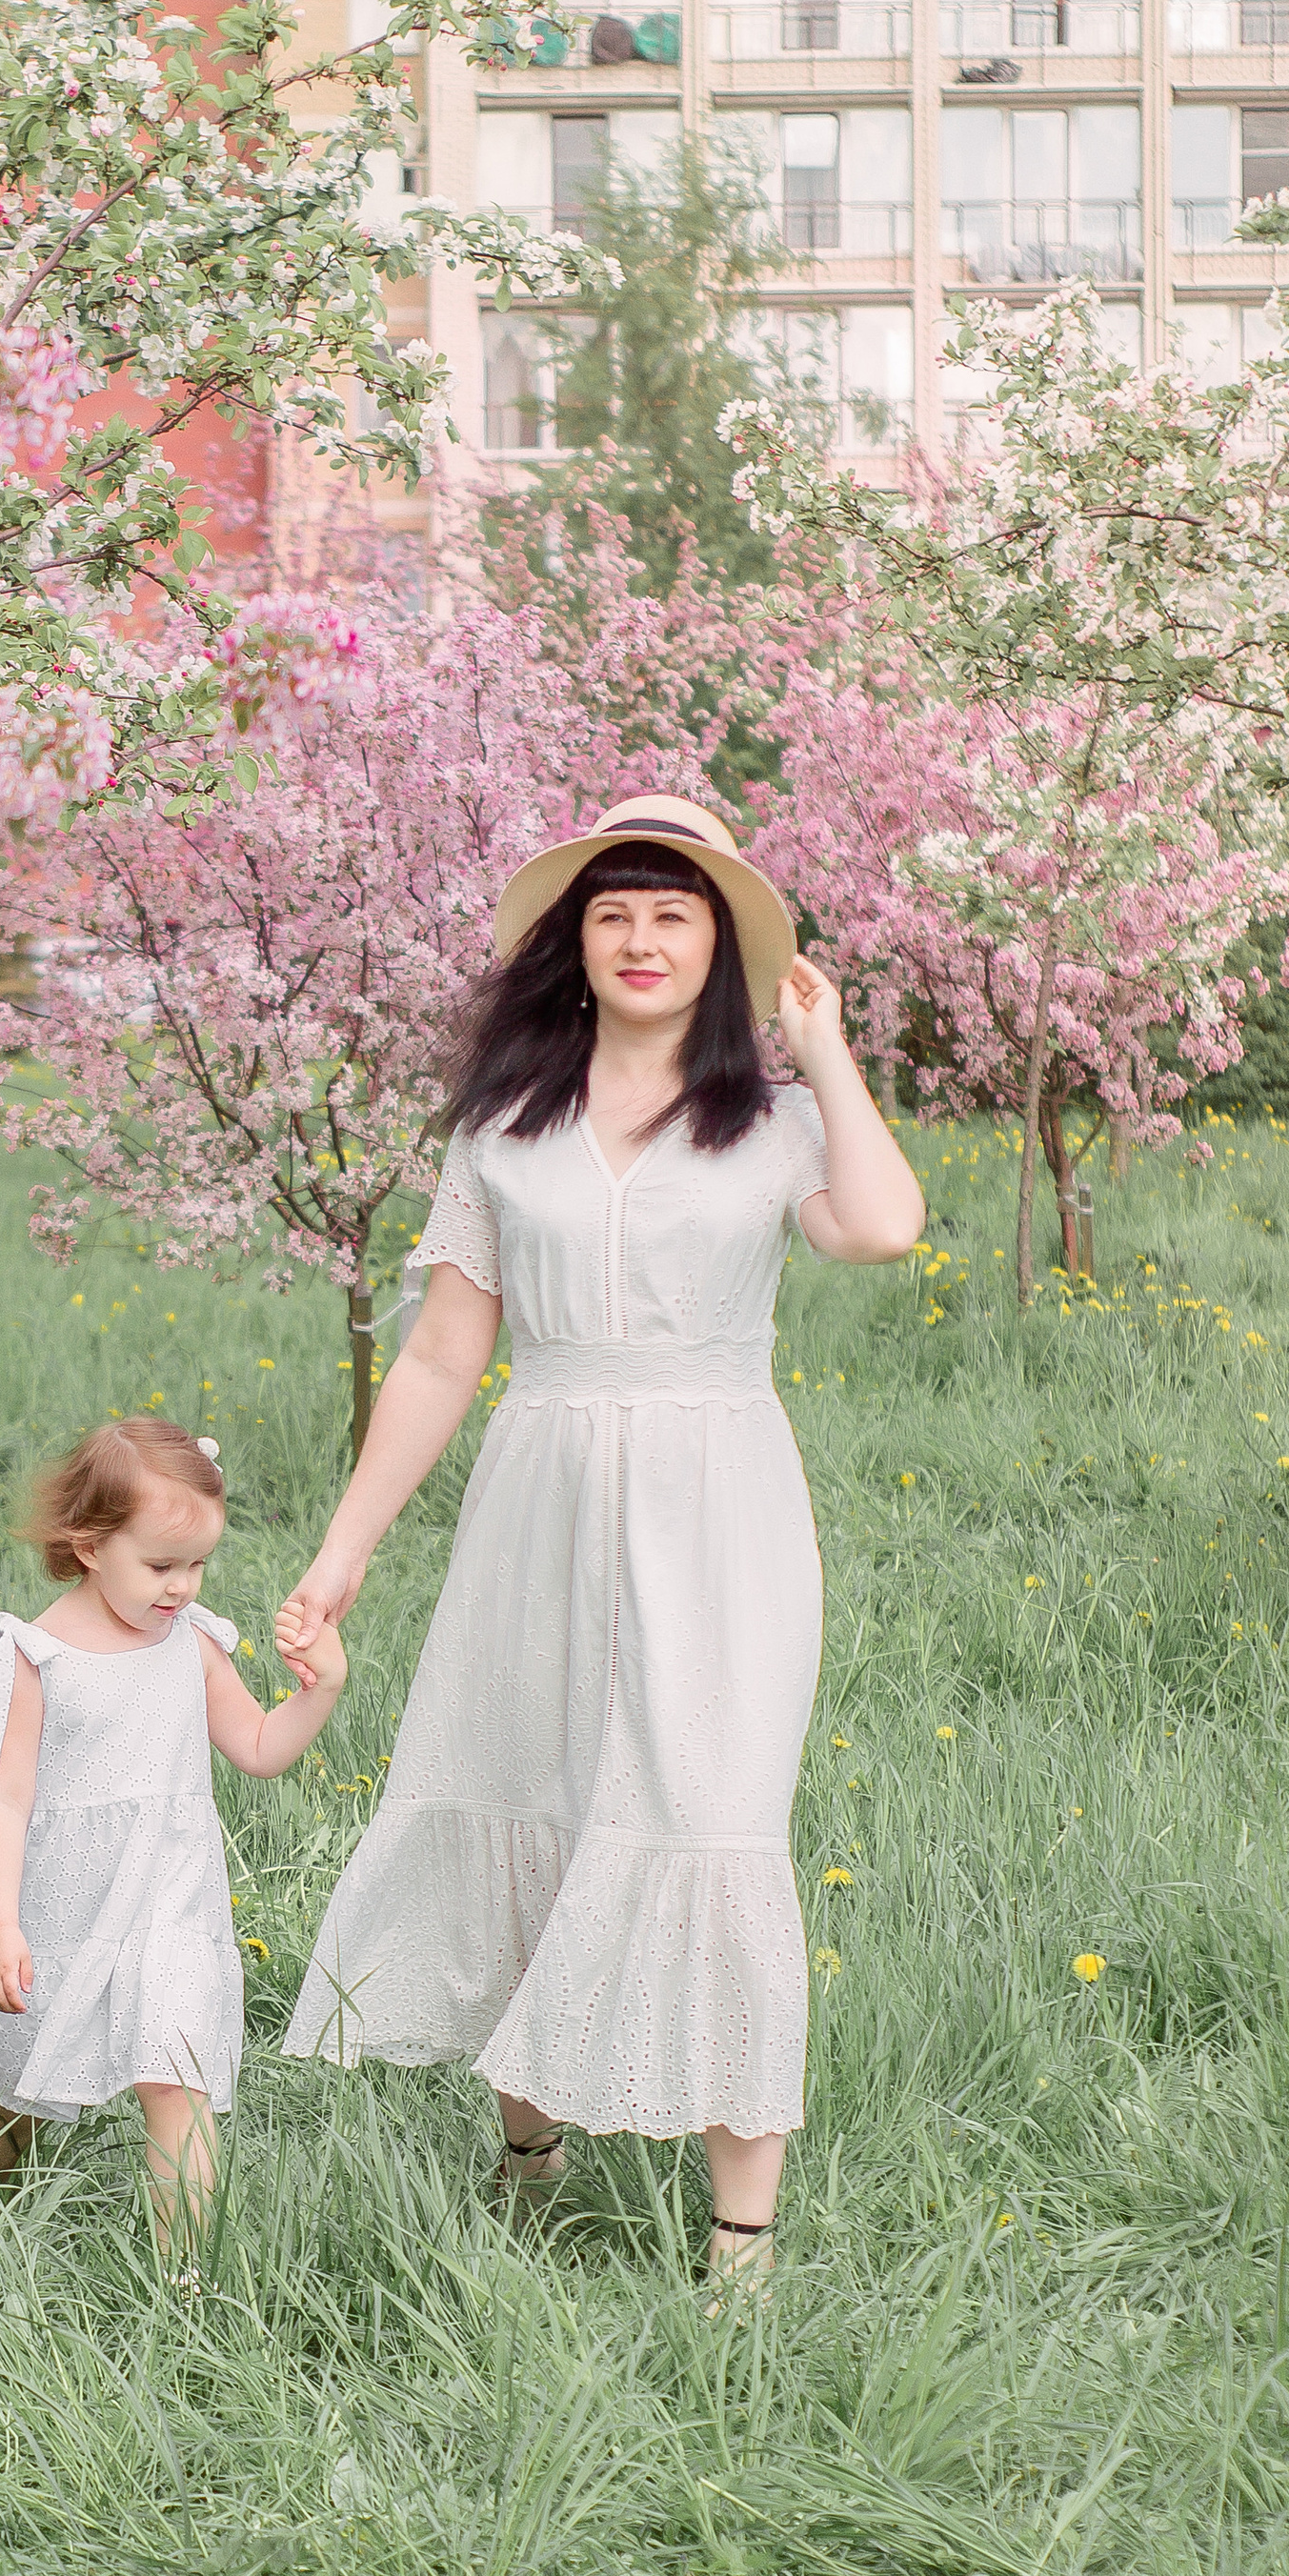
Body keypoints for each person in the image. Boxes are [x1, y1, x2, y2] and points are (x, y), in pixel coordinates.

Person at [272, 795, 923, 2294]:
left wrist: (820, 1043)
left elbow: (883, 1230)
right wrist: (345, 1549)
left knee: (710, 1811)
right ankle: (528, 2157)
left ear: (720, 950)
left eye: (675, 914)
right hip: (540, 1493)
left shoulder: (770, 1123)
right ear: (573, 944)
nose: (641, 938)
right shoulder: (507, 1130)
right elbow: (444, 1356)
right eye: (615, 913)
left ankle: (739, 2244)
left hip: (722, 1506)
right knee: (529, 1784)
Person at [0, 1416, 349, 2258]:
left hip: (167, 1904)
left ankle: (184, 2283)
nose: (183, 1587)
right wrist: (3, 1925)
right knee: (13, 2082)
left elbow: (262, 1750)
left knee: (177, 2079)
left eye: (198, 1564)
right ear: (89, 1546)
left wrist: (322, 1688)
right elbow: (4, 1799)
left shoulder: (192, 1645)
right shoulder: (36, 1656)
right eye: (161, 1565)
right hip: (55, 1905)